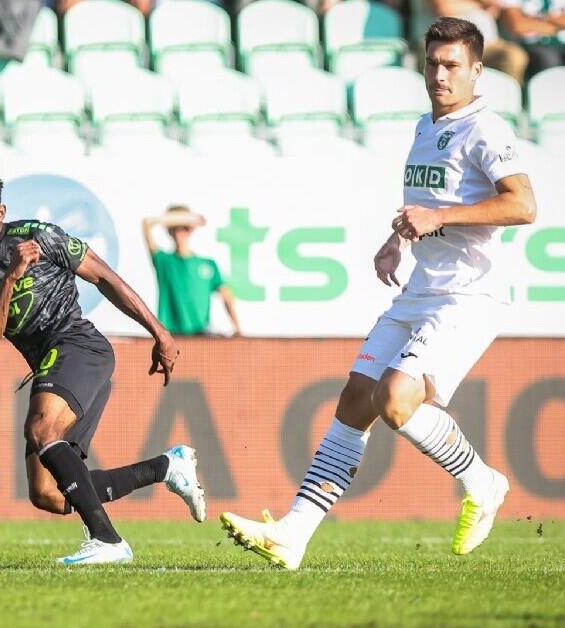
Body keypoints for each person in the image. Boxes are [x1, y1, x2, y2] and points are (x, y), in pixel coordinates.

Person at [220, 17, 537, 570]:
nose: (440, 75)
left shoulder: (486, 129)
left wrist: (438, 218)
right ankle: (293, 534)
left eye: (452, 65)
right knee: (355, 400)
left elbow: (523, 205)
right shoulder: (425, 127)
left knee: (395, 399)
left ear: (476, 71)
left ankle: (482, 483)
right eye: (432, 63)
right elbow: (426, 204)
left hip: (468, 296)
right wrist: (398, 239)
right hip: (421, 289)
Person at [0, 166, 208, 566]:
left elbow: (104, 278)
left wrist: (160, 332)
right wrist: (11, 278)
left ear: (0, 211)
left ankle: (108, 540)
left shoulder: (39, 236)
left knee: (41, 429)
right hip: (47, 364)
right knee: (47, 494)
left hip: (79, 346)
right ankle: (167, 467)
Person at [142, 205, 242, 337]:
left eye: (185, 228)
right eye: (175, 228)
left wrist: (237, 328)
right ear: (169, 230)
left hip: (201, 335)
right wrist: (184, 218)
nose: (180, 232)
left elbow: (226, 295)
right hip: (170, 335)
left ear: (191, 229)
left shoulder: (208, 264)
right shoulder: (163, 261)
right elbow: (146, 224)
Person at [498, 0, 565, 79]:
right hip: (529, 46)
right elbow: (519, 26)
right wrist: (554, 22)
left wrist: (539, 18)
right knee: (548, 59)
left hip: (560, 45)